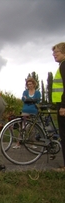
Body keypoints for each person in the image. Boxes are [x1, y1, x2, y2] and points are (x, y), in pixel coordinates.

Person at [12, 77, 41, 149]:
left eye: (31, 84)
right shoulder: (25, 92)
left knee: (33, 128)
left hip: (34, 111)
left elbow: (37, 100)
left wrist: (29, 100)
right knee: (23, 127)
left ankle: (32, 144)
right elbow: (24, 99)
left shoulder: (37, 92)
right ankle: (18, 143)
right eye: (28, 84)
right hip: (25, 111)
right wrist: (32, 100)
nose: (29, 85)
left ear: (34, 84)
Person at [51, 42, 65, 171]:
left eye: (57, 52)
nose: (54, 55)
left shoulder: (64, 65)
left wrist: (63, 106)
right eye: (53, 52)